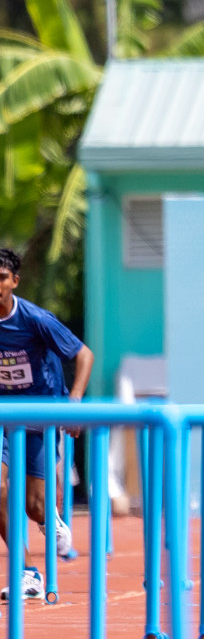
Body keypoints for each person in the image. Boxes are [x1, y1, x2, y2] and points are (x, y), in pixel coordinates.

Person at [0, 247, 93, 601]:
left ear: (14, 281)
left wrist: (74, 404)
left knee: (33, 505)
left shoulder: (36, 319)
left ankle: (47, 516)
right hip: (2, 411)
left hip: (39, 409)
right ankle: (28, 574)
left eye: (2, 278)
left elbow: (83, 355)